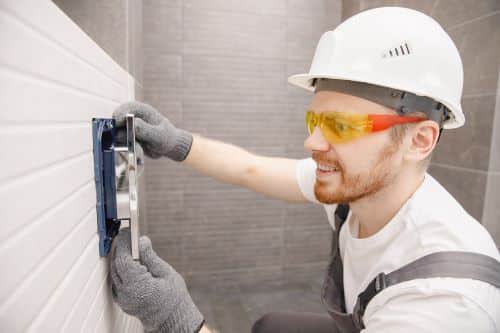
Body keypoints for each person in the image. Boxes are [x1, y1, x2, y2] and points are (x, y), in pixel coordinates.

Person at [109, 7, 500, 333]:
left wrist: (178, 322)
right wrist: (176, 142)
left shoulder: (444, 304)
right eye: (316, 121)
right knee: (272, 327)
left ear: (420, 140)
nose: (313, 143)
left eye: (342, 126)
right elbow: (252, 170)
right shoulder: (362, 189)